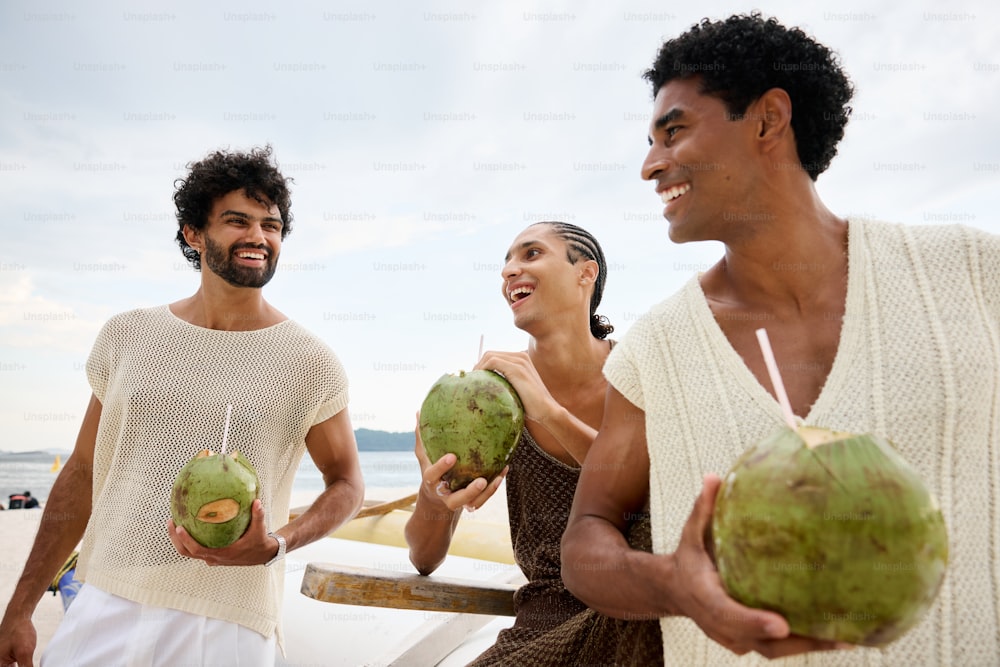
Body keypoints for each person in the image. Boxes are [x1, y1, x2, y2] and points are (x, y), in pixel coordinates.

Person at [561, 12, 1000, 667]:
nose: (651, 164)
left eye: (673, 131)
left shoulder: (975, 273)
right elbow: (584, 541)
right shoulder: (656, 347)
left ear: (768, 119)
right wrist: (674, 586)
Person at [0, 146, 365, 667]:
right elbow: (82, 473)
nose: (258, 237)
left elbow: (347, 483)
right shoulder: (127, 336)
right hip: (105, 599)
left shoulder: (310, 361)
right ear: (194, 234)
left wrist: (277, 544)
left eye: (271, 225)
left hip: (228, 624)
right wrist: (20, 609)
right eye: (237, 221)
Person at [405, 221, 663, 666]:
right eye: (506, 260)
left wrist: (549, 412)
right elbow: (424, 558)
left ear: (586, 273)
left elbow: (663, 496)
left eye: (530, 254)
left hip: (644, 607)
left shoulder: (645, 373)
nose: (509, 270)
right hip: (544, 623)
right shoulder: (490, 404)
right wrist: (434, 494)